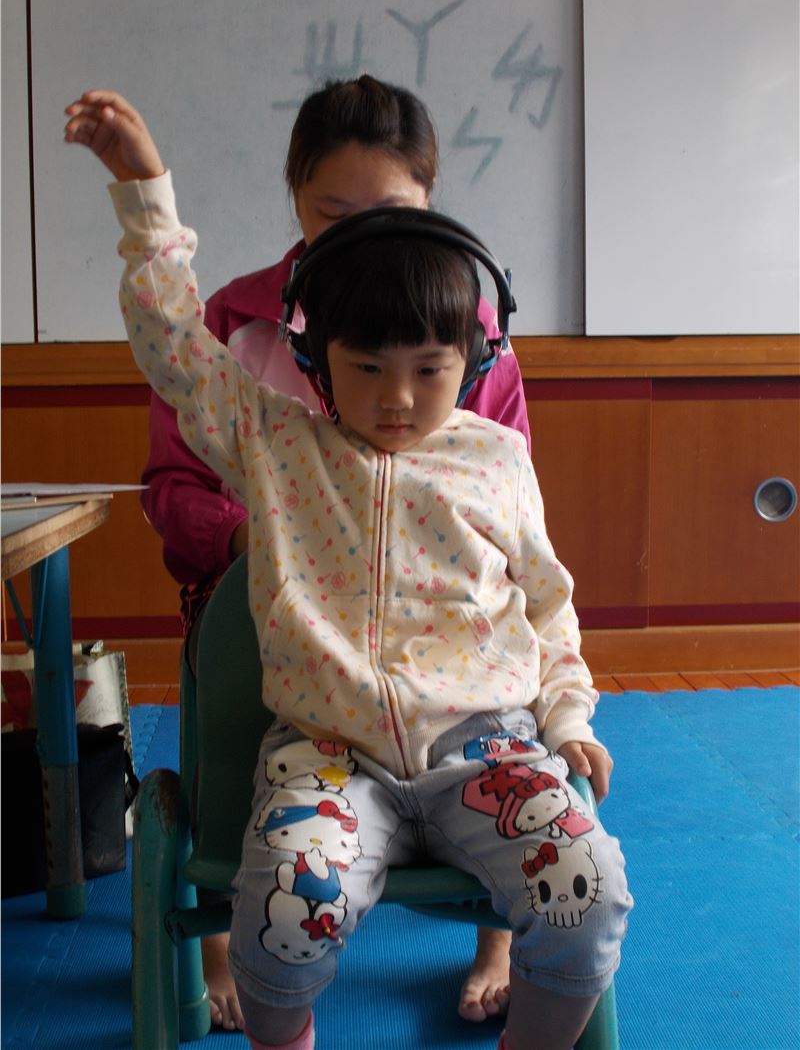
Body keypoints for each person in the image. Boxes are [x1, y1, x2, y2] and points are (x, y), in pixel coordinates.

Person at [66, 89, 631, 1050]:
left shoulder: (494, 458)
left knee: (590, 897)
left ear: (474, 356)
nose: (398, 397)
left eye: (429, 368)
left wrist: (568, 718)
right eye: (367, 368)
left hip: (486, 745)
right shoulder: (279, 442)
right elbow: (172, 346)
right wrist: (144, 189)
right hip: (328, 752)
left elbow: (547, 603)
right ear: (317, 357)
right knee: (277, 925)